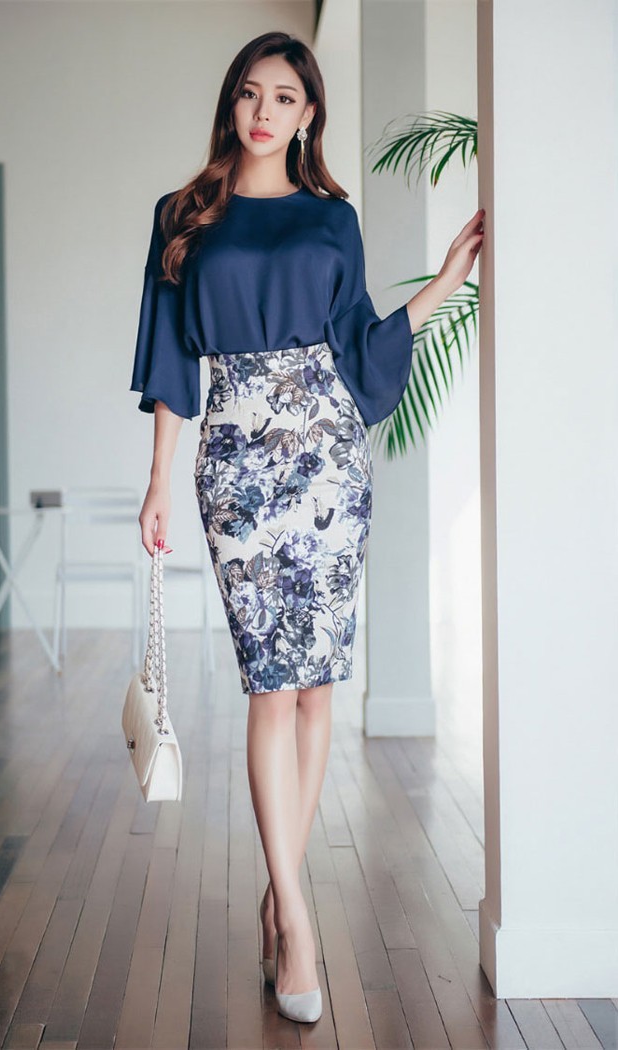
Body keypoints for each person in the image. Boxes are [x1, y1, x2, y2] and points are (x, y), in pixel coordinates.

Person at [130, 30, 484, 1025]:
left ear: (308, 114)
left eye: (283, 97)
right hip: (236, 462)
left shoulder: (334, 219)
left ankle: (278, 891)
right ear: (233, 103)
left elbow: (360, 348)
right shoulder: (183, 216)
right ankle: (295, 915)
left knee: (318, 683)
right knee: (271, 685)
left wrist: (445, 279)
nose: (262, 111)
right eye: (250, 93)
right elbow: (169, 363)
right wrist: (159, 483)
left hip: (328, 457)